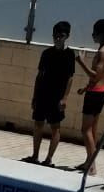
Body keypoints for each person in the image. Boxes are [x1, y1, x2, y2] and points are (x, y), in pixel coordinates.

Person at [27, 20, 76, 165]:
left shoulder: (69, 55)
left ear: (66, 36)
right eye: (55, 35)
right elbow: (39, 76)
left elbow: (70, 78)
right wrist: (35, 96)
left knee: (55, 127)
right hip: (43, 93)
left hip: (57, 96)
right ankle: (35, 155)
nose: (57, 38)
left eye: (61, 36)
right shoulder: (47, 53)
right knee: (38, 123)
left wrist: (65, 98)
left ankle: (49, 159)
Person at [75, 17, 104, 173]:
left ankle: (92, 165)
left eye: (95, 33)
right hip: (101, 91)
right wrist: (86, 88)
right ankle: (89, 161)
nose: (92, 35)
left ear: (101, 34)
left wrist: (81, 61)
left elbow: (94, 75)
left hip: (95, 95)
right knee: (92, 129)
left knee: (85, 130)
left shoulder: (101, 52)